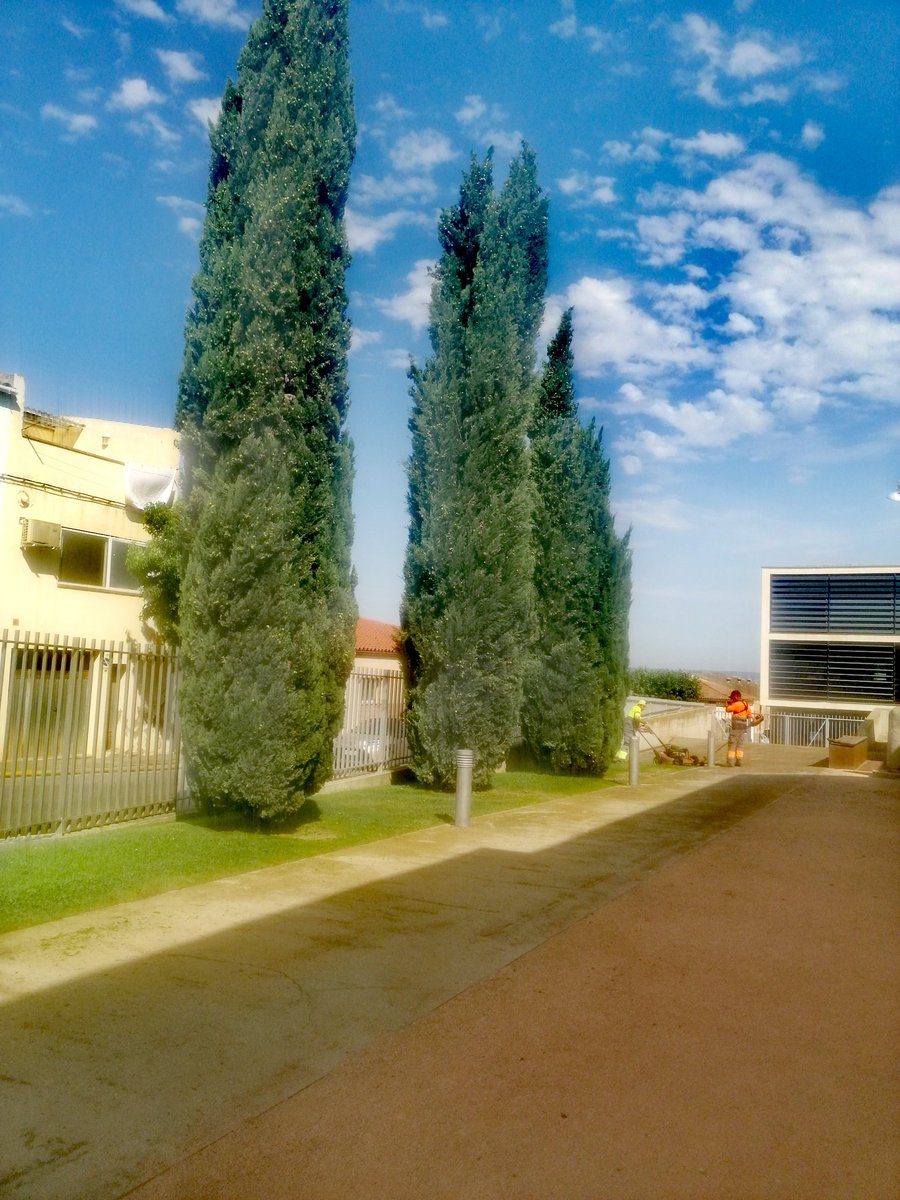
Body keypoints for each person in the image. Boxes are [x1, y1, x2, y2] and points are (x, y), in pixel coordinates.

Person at [725, 689, 753, 767]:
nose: (732, 699)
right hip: (743, 728)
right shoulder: (746, 704)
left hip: (735, 728)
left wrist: (727, 704)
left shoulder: (736, 704)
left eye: (733, 698)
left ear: (736, 696)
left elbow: (728, 710)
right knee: (740, 745)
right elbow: (749, 715)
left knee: (732, 744)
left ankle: (730, 762)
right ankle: (739, 761)